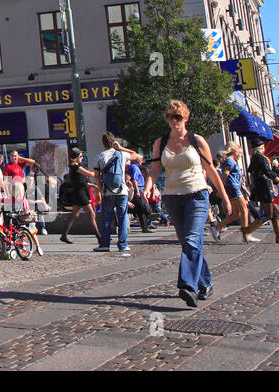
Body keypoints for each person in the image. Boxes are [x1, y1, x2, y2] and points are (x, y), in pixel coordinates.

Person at [149, 99, 232, 307]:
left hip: (197, 194)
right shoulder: (161, 142)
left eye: (177, 117)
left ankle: (187, 285)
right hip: (172, 196)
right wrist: (148, 186)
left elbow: (212, 170)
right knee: (188, 243)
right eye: (169, 117)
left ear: (186, 118)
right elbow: (155, 169)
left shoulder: (196, 140)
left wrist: (224, 198)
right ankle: (206, 282)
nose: (173, 121)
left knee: (193, 239)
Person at [94, 133, 142, 255]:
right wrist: (120, 148)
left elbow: (96, 176)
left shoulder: (100, 156)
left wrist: (100, 190)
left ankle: (104, 244)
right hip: (122, 191)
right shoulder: (122, 154)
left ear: (103, 143)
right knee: (122, 218)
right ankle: (123, 244)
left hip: (107, 192)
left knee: (106, 218)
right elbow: (135, 155)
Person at [242, 140, 279, 244]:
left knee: (275, 212)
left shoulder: (254, 158)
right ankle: (247, 230)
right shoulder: (262, 158)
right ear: (261, 148)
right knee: (269, 214)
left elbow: (251, 173)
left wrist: (254, 184)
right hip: (264, 186)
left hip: (261, 186)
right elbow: (269, 173)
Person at [214, 141, 258, 242]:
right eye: (240, 153)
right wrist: (221, 190)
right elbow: (225, 174)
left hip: (233, 187)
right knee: (244, 210)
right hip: (233, 187)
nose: (241, 155)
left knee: (237, 214)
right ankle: (246, 234)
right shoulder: (229, 161)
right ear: (233, 151)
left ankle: (217, 228)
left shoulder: (230, 161)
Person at [60, 150, 100, 244]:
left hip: (80, 193)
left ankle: (64, 235)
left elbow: (81, 181)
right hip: (80, 194)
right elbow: (89, 174)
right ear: (76, 157)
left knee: (74, 215)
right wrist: (98, 171)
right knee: (91, 214)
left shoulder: (73, 167)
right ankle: (99, 236)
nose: (82, 158)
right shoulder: (76, 167)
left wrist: (92, 185)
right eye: (81, 156)